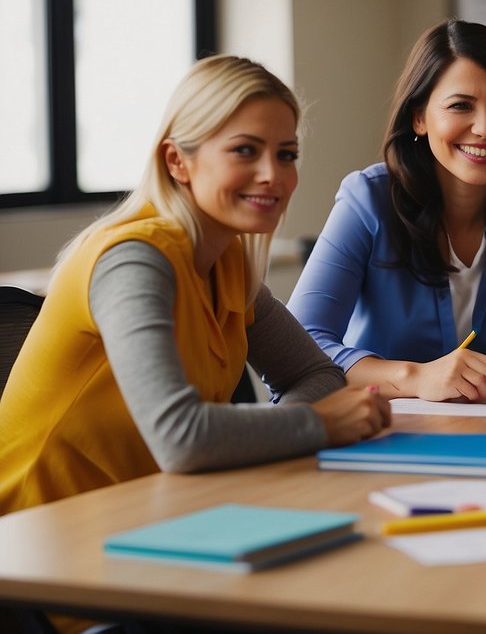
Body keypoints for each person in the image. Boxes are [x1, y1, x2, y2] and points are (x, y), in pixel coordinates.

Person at [0, 56, 390, 516]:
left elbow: (317, 375)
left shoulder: (228, 264)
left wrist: (306, 419)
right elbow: (179, 438)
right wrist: (316, 424)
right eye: (245, 150)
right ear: (177, 161)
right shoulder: (133, 259)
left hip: (147, 514)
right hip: (37, 534)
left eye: (286, 154)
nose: (273, 174)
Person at [288, 20, 486, 403]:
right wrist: (417, 378)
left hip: (484, 423)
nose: (485, 127)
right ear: (419, 117)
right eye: (461, 106)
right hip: (376, 427)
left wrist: (478, 381)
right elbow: (301, 343)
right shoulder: (367, 199)